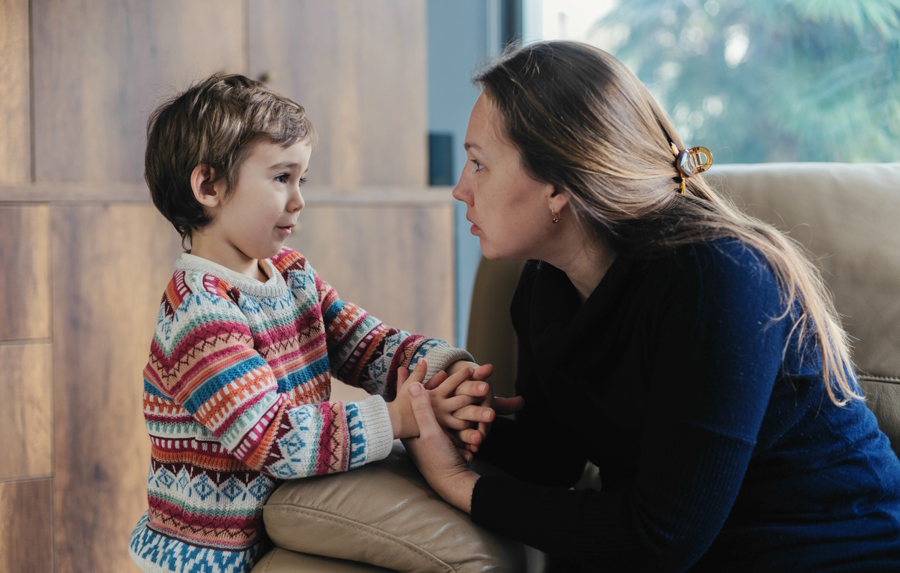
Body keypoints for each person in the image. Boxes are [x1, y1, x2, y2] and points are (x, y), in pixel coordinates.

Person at [401, 41, 900, 571]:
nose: (460, 189)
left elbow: (660, 539)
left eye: (479, 164)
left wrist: (460, 486)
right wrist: (450, 417)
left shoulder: (717, 281)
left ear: (558, 186)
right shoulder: (544, 284)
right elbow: (552, 458)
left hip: (835, 557)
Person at [127, 74, 491, 573]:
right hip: (209, 558)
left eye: (303, 180)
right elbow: (274, 438)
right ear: (208, 185)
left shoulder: (293, 275)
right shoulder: (200, 313)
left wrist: (446, 373)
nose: (299, 200)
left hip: (283, 520)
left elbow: (369, 345)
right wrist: (399, 418)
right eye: (281, 178)